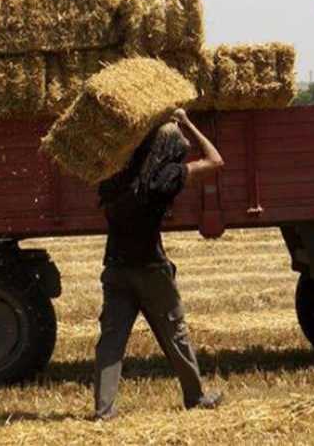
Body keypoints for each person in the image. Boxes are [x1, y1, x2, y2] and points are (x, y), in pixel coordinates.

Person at [93, 108, 225, 420]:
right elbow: (215, 161)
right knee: (175, 334)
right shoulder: (166, 179)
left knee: (111, 341)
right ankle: (196, 398)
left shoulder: (116, 176)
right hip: (151, 270)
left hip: (116, 267)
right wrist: (188, 123)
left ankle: (103, 410)